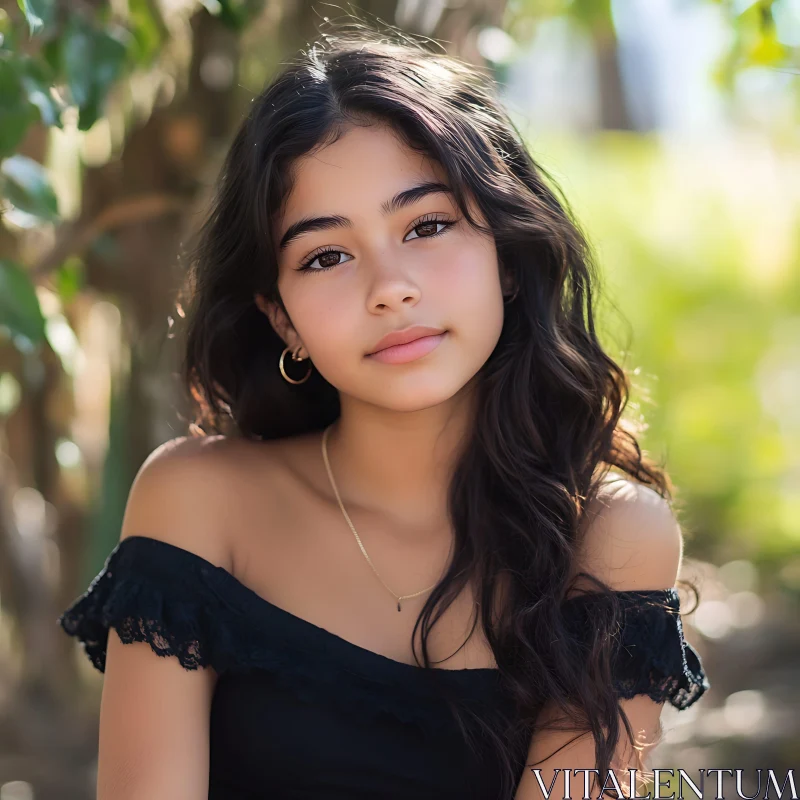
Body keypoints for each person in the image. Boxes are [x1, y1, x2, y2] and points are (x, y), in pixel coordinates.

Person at [57, 22, 710, 800]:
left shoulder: (609, 539)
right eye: (326, 255)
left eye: (427, 225)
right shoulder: (199, 502)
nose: (389, 287)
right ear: (283, 318)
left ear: (506, 254)